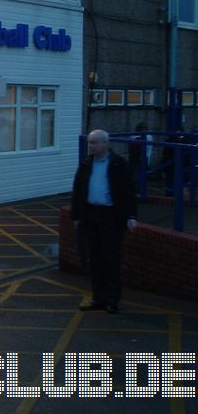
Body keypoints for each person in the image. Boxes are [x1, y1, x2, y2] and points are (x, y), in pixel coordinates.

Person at [70, 129, 138, 314]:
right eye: (90, 142)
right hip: (91, 215)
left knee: (111, 259)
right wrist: (76, 216)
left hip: (111, 216)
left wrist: (131, 216)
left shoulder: (118, 164)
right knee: (94, 259)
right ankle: (98, 297)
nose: (91, 146)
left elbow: (129, 191)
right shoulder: (86, 164)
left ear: (106, 144)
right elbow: (78, 191)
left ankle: (112, 299)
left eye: (95, 142)